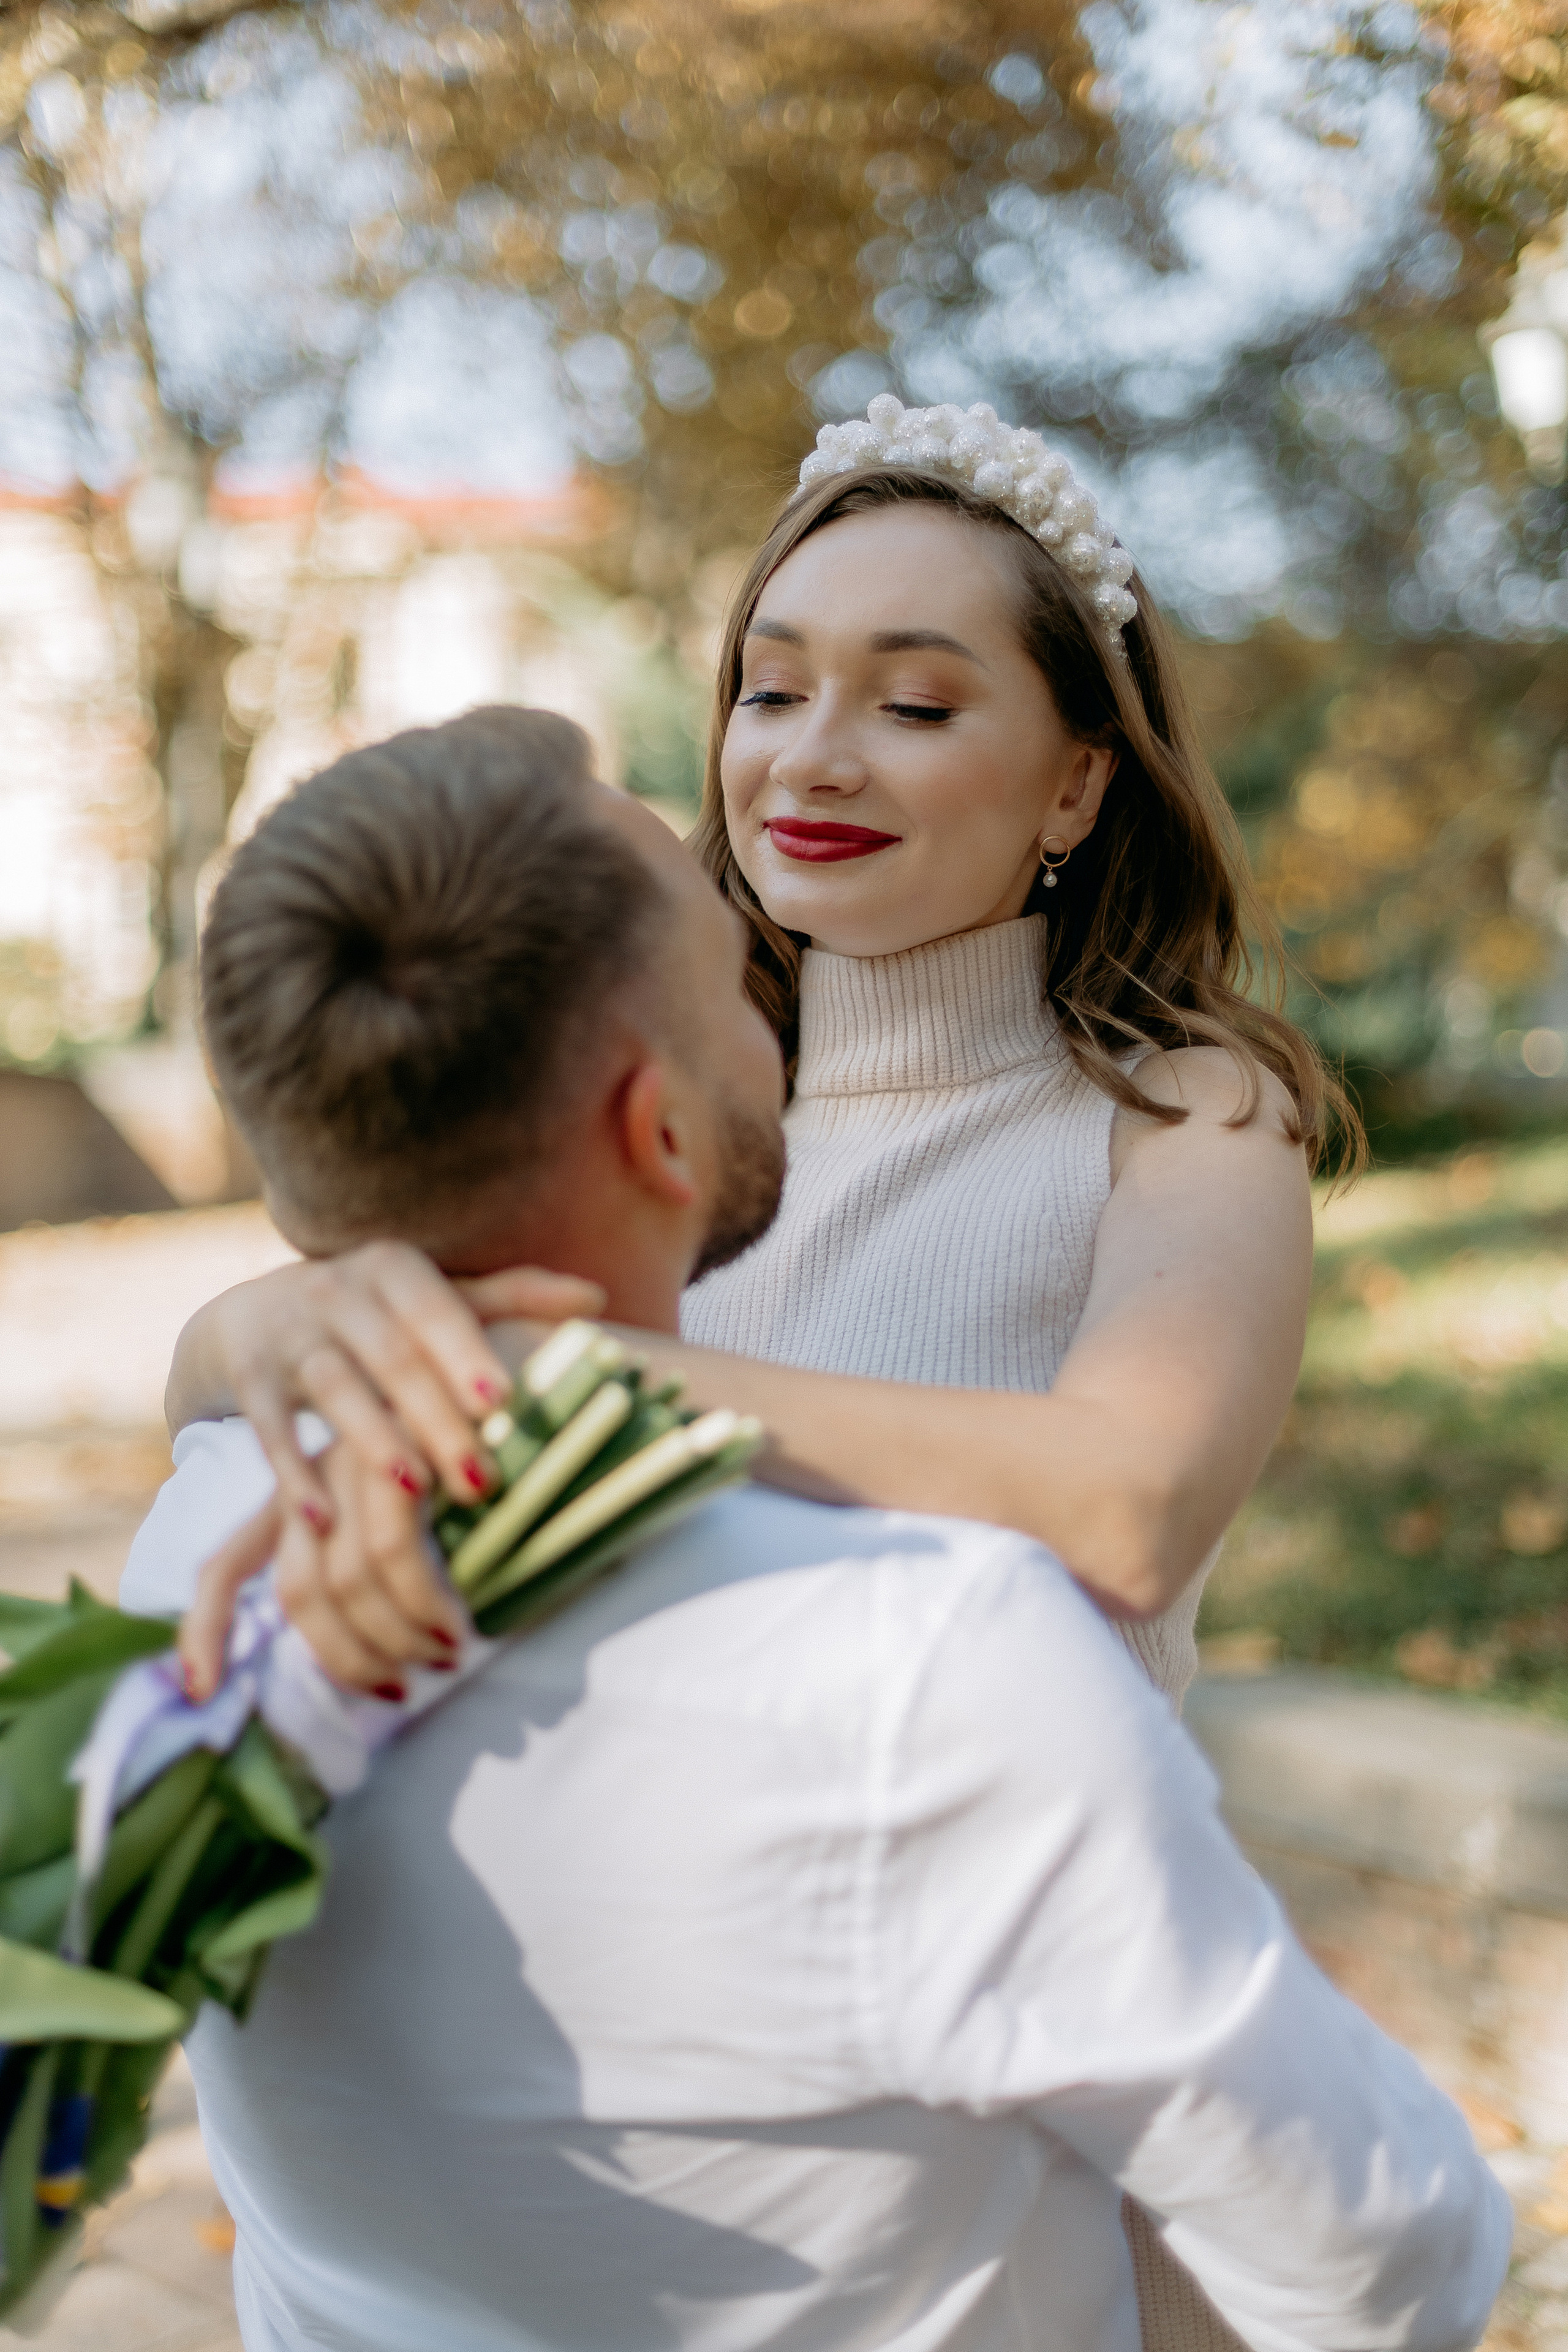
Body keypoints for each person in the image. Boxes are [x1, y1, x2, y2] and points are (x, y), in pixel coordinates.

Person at [122, 709, 1510, 2352]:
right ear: (659, 1130)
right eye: (732, 978)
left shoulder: (187, 1562)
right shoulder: (931, 1668)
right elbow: (1389, 2262)